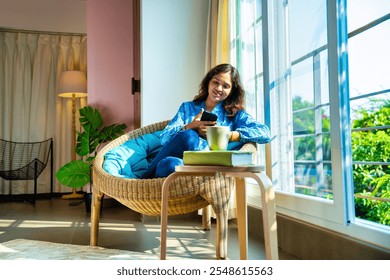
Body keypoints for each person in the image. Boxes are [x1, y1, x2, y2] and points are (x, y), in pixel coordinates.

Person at [142, 63, 270, 178]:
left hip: (206, 168)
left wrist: (231, 135)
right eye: (216, 82)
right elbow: (164, 139)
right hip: (181, 162)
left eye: (225, 86)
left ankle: (144, 178)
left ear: (231, 91)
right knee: (172, 159)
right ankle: (146, 179)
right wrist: (191, 126)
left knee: (179, 151)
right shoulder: (187, 108)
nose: (219, 88)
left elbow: (265, 133)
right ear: (208, 82)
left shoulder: (235, 115)